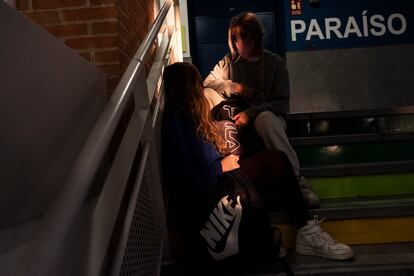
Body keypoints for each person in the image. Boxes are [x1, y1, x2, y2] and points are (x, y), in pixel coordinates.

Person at [161, 62, 355, 262]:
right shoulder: (177, 121)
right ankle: (305, 230)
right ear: (188, 88)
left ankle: (274, 233)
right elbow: (182, 184)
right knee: (276, 160)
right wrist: (220, 166)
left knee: (266, 161)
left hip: (220, 181)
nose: (201, 91)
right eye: (196, 84)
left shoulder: (190, 118)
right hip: (211, 193)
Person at [203, 12, 319, 207]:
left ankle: (297, 180)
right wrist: (234, 87)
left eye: (242, 36)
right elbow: (208, 82)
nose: (237, 42)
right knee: (207, 93)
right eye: (233, 38)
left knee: (265, 119)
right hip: (234, 121)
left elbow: (281, 103)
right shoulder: (229, 61)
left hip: (264, 120)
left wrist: (252, 113)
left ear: (255, 36)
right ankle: (214, 168)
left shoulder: (275, 63)